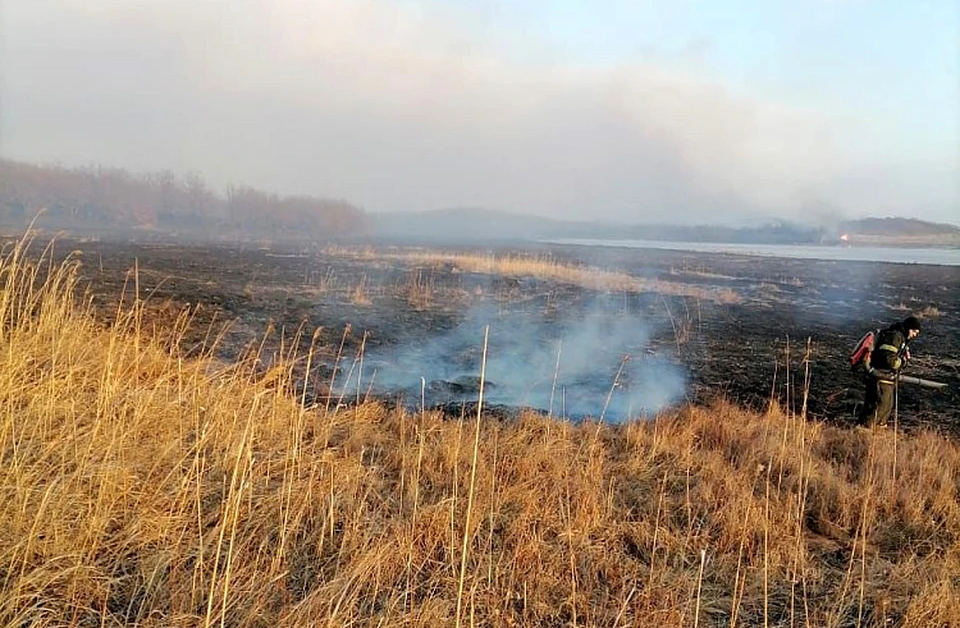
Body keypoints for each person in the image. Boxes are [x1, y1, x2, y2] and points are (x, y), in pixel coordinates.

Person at [858, 315, 922, 428]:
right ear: (908, 328)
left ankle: (878, 428)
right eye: (914, 332)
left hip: (886, 376)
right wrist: (902, 362)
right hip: (881, 375)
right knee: (879, 404)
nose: (914, 335)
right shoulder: (894, 337)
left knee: (887, 404)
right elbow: (889, 359)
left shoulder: (900, 337)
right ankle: (866, 430)